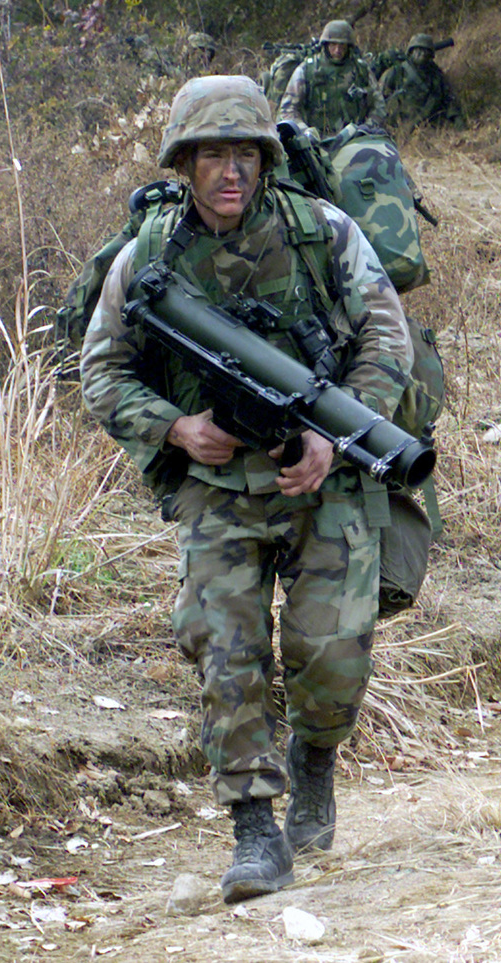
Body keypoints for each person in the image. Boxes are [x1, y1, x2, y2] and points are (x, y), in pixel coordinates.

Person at [78, 76, 412, 905]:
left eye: (245, 155)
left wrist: (339, 435)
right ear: (185, 163)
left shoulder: (320, 233)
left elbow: (387, 337)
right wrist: (176, 427)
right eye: (213, 156)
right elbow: (99, 368)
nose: (231, 172)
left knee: (331, 653)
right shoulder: (146, 255)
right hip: (217, 480)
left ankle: (315, 758)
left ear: (265, 159)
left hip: (320, 472)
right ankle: (255, 828)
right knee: (224, 646)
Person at [278, 19, 386, 137]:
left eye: (342, 45)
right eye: (333, 45)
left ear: (349, 46)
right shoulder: (308, 69)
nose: (337, 50)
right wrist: (305, 131)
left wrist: (367, 127)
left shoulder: (361, 69)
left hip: (354, 139)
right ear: (325, 44)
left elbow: (379, 105)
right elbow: (288, 109)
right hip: (317, 141)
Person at [380, 33, 463, 129]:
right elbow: (380, 98)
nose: (422, 54)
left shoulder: (436, 74)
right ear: (411, 52)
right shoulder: (397, 72)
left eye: (426, 51)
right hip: (402, 126)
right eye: (418, 50)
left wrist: (457, 118)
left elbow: (448, 98)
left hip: (430, 126)